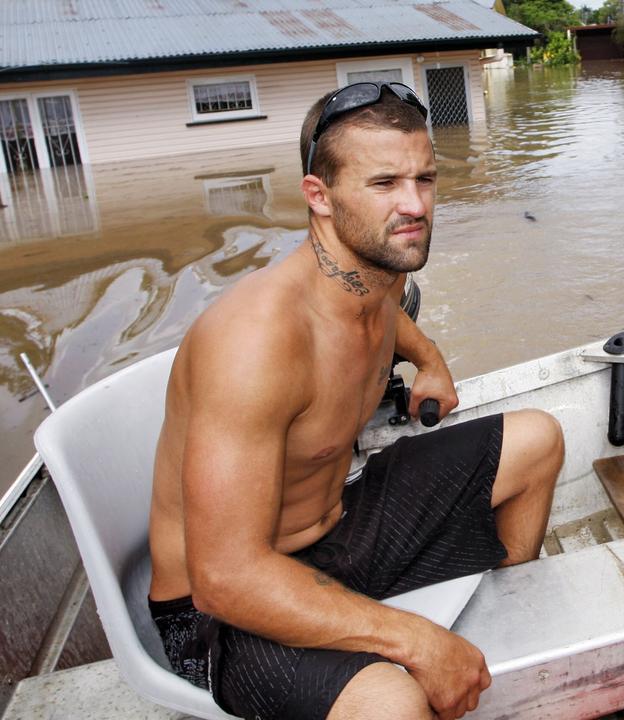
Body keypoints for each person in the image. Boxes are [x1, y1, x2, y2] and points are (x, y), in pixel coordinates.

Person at [146, 82, 563, 720]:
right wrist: (417, 642)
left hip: (338, 531)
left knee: (538, 441)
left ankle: (507, 643)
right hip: (222, 614)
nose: (414, 204)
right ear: (320, 196)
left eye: (425, 179)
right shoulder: (254, 342)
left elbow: (388, 318)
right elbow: (224, 579)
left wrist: (430, 362)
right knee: (392, 702)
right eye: (385, 183)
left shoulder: (378, 271)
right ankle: (435, 649)